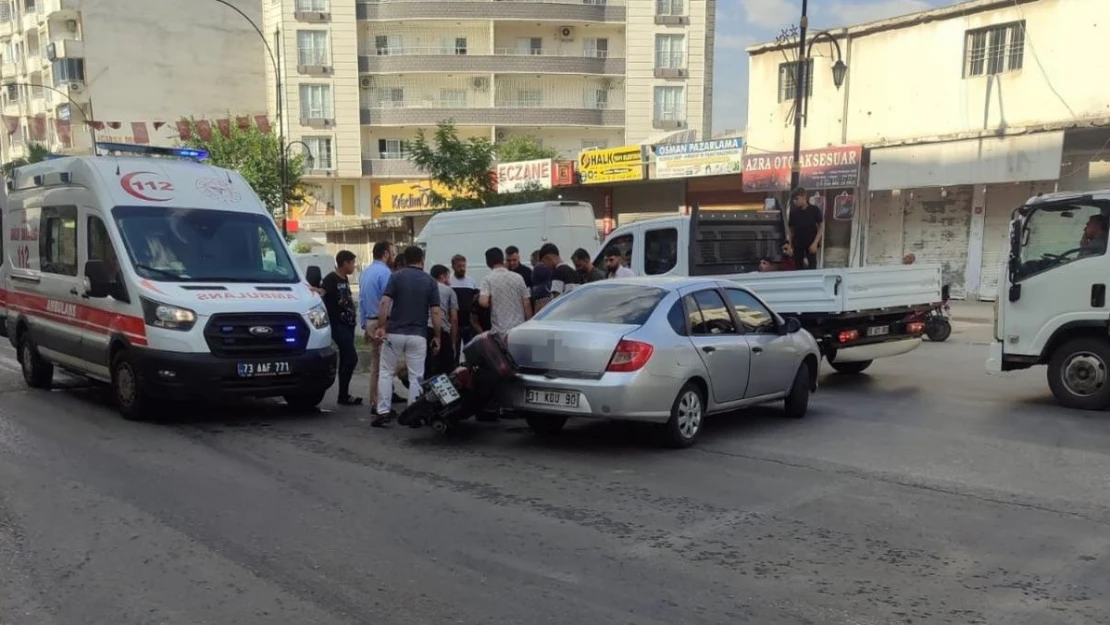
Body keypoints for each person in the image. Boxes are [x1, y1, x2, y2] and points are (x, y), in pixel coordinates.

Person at [373, 246, 442, 426]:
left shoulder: (396, 277)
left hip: (394, 333)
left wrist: (381, 326)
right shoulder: (430, 281)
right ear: (422, 260)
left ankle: (383, 411)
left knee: (386, 372)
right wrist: (437, 336)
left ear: (405, 260)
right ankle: (414, 413)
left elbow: (385, 302)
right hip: (418, 336)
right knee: (416, 375)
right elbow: (435, 312)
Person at [321, 250, 361, 406]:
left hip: (348, 325)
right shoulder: (331, 278)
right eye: (352, 263)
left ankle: (343, 395)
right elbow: (323, 291)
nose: (354, 266)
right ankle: (343, 394)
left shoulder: (344, 279)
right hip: (338, 325)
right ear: (345, 263)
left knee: (346, 359)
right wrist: (317, 290)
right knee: (352, 358)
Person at [359, 241, 394, 416]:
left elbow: (361, 300)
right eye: (392, 251)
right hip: (382, 322)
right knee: (385, 366)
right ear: (386, 253)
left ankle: (375, 399)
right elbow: (386, 302)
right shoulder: (385, 273)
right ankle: (381, 403)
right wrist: (384, 325)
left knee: (376, 366)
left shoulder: (365, 273)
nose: (394, 255)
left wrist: (365, 324)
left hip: (370, 321)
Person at [478, 247, 532, 333]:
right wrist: (529, 323)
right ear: (503, 260)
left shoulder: (487, 279)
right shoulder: (518, 277)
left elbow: (483, 302)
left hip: (500, 330)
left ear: (488, 263)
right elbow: (526, 302)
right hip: (518, 328)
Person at [427, 264, 459, 377]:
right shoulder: (449, 291)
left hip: (424, 331)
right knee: (447, 370)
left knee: (426, 367)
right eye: (448, 277)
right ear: (442, 276)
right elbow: (454, 319)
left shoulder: (425, 288)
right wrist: (453, 343)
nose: (449, 281)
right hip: (441, 331)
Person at [788, 187, 823, 270]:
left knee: (812, 267)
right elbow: (791, 231)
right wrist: (790, 245)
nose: (795, 201)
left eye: (797, 199)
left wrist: (815, 242)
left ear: (804, 196)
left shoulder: (814, 210)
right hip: (797, 246)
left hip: (811, 245)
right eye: (793, 199)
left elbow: (821, 227)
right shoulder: (793, 213)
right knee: (798, 268)